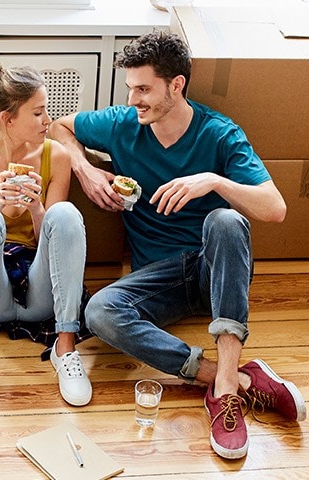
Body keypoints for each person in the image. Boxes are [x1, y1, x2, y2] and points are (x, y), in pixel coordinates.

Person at [50, 30, 306, 459]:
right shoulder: (121, 124)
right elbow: (58, 126)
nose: (134, 100)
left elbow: (275, 208)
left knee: (225, 219)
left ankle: (225, 394)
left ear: (177, 85)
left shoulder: (220, 134)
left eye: (144, 88)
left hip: (214, 271)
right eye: (130, 88)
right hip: (159, 279)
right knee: (98, 312)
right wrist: (85, 169)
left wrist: (213, 180)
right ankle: (230, 379)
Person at [0, 53, 91, 418]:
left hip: (40, 292)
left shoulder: (56, 156)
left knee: (65, 213)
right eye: (38, 112)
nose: (48, 120)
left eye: (47, 110)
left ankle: (65, 347)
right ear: (8, 119)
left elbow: (54, 243)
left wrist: (36, 209)